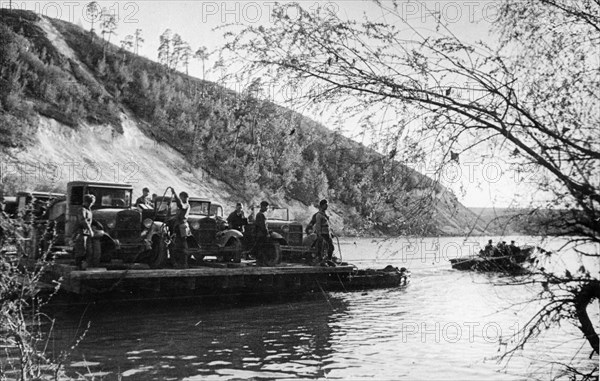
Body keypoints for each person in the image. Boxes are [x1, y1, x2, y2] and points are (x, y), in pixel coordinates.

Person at [73, 194, 95, 270]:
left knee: (88, 251)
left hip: (86, 233)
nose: (91, 204)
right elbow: (83, 220)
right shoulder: (82, 210)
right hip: (80, 233)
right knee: (81, 251)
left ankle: (83, 267)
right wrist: (90, 230)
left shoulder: (89, 210)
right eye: (90, 202)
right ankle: (78, 268)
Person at [170, 188, 190, 268]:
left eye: (181, 197)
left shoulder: (186, 205)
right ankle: (180, 263)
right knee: (178, 245)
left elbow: (181, 205)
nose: (181, 199)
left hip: (182, 227)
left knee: (182, 246)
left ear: (184, 197)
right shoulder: (184, 206)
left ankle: (184, 264)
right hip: (179, 227)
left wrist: (174, 194)